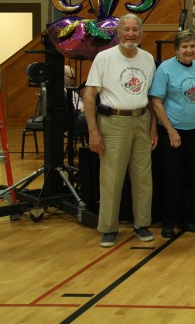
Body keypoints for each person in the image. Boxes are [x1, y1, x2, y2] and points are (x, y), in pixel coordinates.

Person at [82, 13, 157, 248]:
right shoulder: (104, 58)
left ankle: (142, 224)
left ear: (141, 33)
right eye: (126, 29)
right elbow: (89, 95)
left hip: (142, 120)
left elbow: (152, 97)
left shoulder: (148, 58)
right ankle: (108, 228)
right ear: (118, 32)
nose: (131, 34)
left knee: (143, 177)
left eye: (135, 30)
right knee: (112, 178)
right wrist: (93, 131)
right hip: (113, 122)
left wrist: (153, 127)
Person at [149, 30, 195, 239]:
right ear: (176, 49)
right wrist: (170, 129)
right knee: (173, 177)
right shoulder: (165, 68)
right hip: (173, 131)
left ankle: (187, 218)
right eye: (184, 47)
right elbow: (156, 101)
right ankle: (168, 221)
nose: (189, 50)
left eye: (192, 46)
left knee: (192, 175)